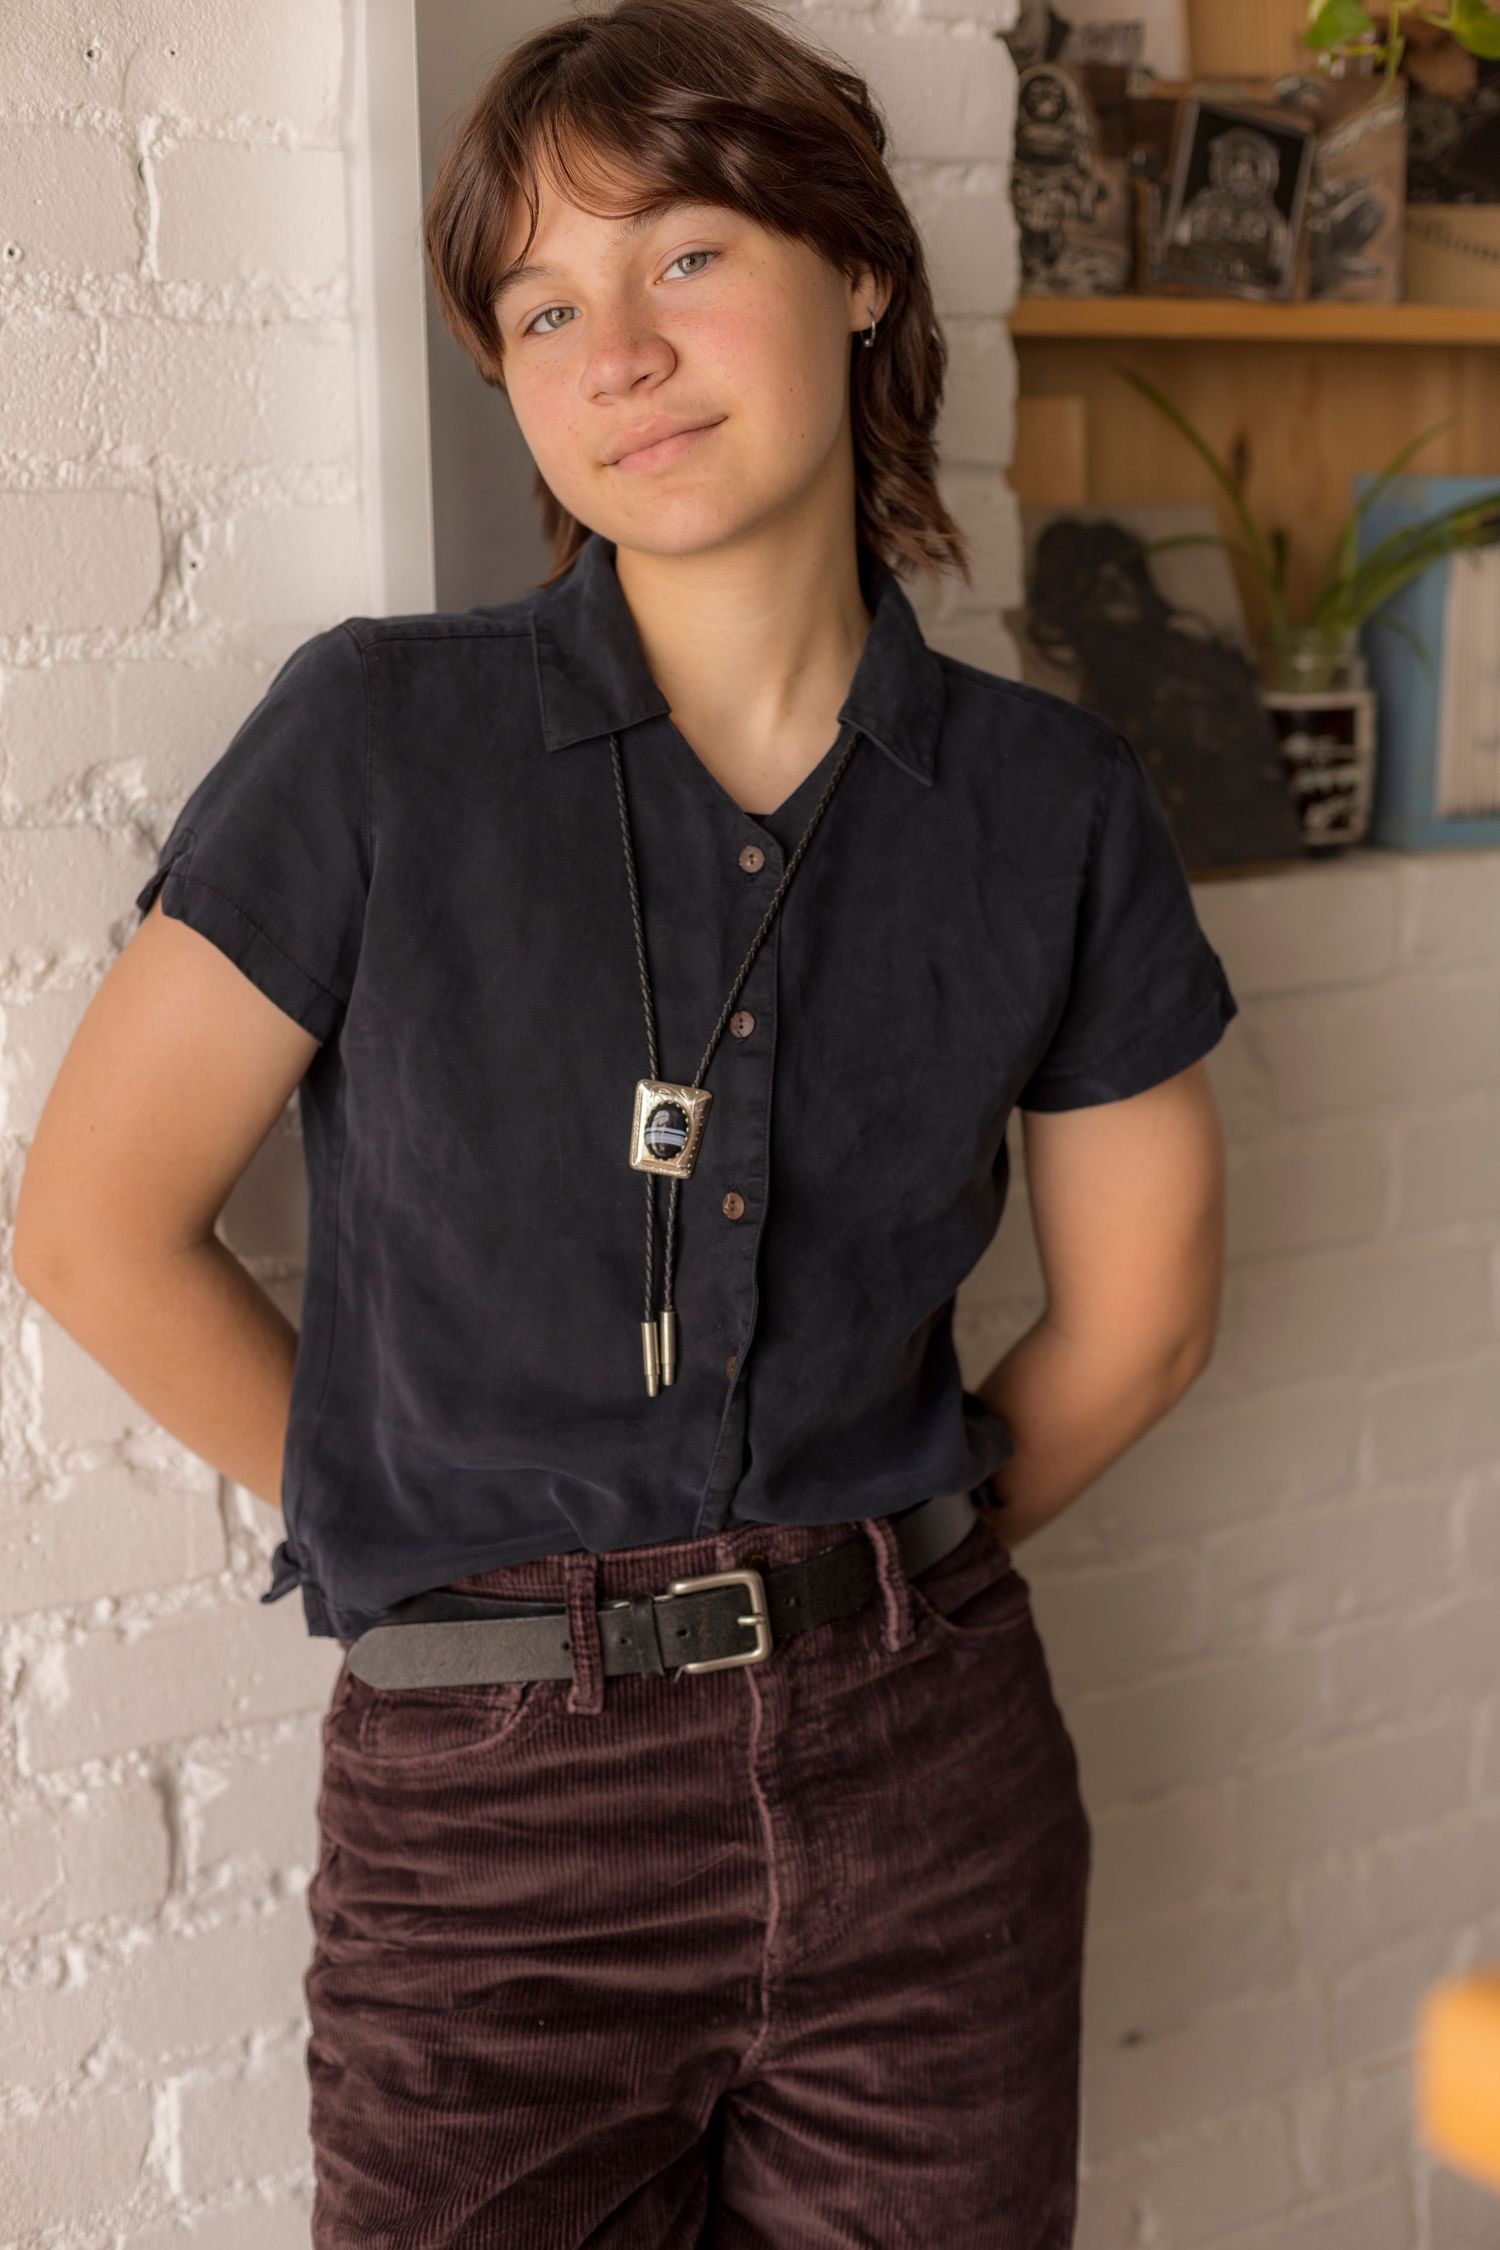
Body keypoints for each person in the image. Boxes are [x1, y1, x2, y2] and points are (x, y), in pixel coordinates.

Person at [11, 0, 1238, 2240]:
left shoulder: (1051, 808)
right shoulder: (377, 746)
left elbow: (1143, 1324)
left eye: (684, 255)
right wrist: (433, 1521)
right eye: (543, 306)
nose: (618, 352)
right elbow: (92, 1224)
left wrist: (875, 1612)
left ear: (858, 268)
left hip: (930, 1814)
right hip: (495, 1845)